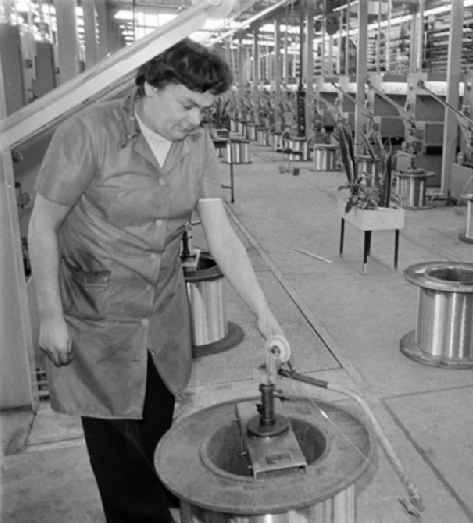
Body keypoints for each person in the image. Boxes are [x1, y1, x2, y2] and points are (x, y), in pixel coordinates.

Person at [28, 39, 287, 522]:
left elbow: (221, 236)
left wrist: (264, 312)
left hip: (163, 306)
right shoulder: (89, 132)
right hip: (97, 312)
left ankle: (158, 492)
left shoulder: (197, 144)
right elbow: (42, 225)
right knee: (115, 436)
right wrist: (49, 316)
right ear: (149, 85)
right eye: (187, 105)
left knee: (155, 415)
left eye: (205, 111)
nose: (196, 120)